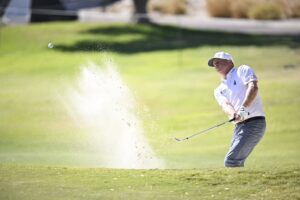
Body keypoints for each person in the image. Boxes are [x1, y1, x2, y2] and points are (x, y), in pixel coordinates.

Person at [208, 51, 266, 167]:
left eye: (219, 62)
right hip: (239, 126)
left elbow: (253, 87)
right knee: (236, 161)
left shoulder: (242, 70)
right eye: (214, 64)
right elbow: (225, 105)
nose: (216, 66)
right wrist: (234, 114)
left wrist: (243, 109)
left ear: (229, 62)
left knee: (232, 161)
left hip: (254, 122)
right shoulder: (219, 89)